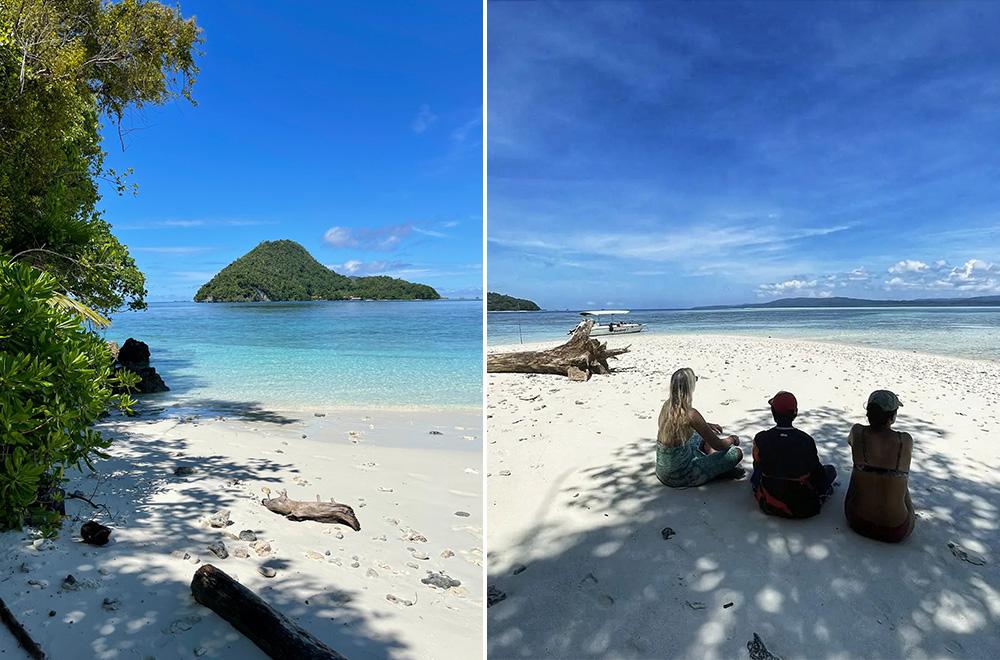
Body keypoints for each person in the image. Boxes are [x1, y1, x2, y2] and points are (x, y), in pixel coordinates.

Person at [750, 391, 837, 518]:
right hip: (799, 501)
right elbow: (816, 472)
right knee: (830, 470)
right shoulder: (806, 440)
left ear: (773, 413)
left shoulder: (761, 438)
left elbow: (758, 463)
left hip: (771, 493)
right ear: (795, 413)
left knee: (759, 466)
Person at [844, 390, 915, 543]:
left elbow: (850, 442)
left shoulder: (857, 432)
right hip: (896, 530)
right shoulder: (905, 440)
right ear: (892, 417)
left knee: (860, 468)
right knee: (900, 478)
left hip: (857, 521)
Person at [656, 367, 744, 487]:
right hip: (680, 475)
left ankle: (714, 462)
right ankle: (717, 469)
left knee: (700, 436)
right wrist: (732, 439)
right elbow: (718, 444)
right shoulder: (690, 414)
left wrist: (705, 425)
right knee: (737, 453)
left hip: (662, 471)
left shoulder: (667, 406)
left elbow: (679, 426)